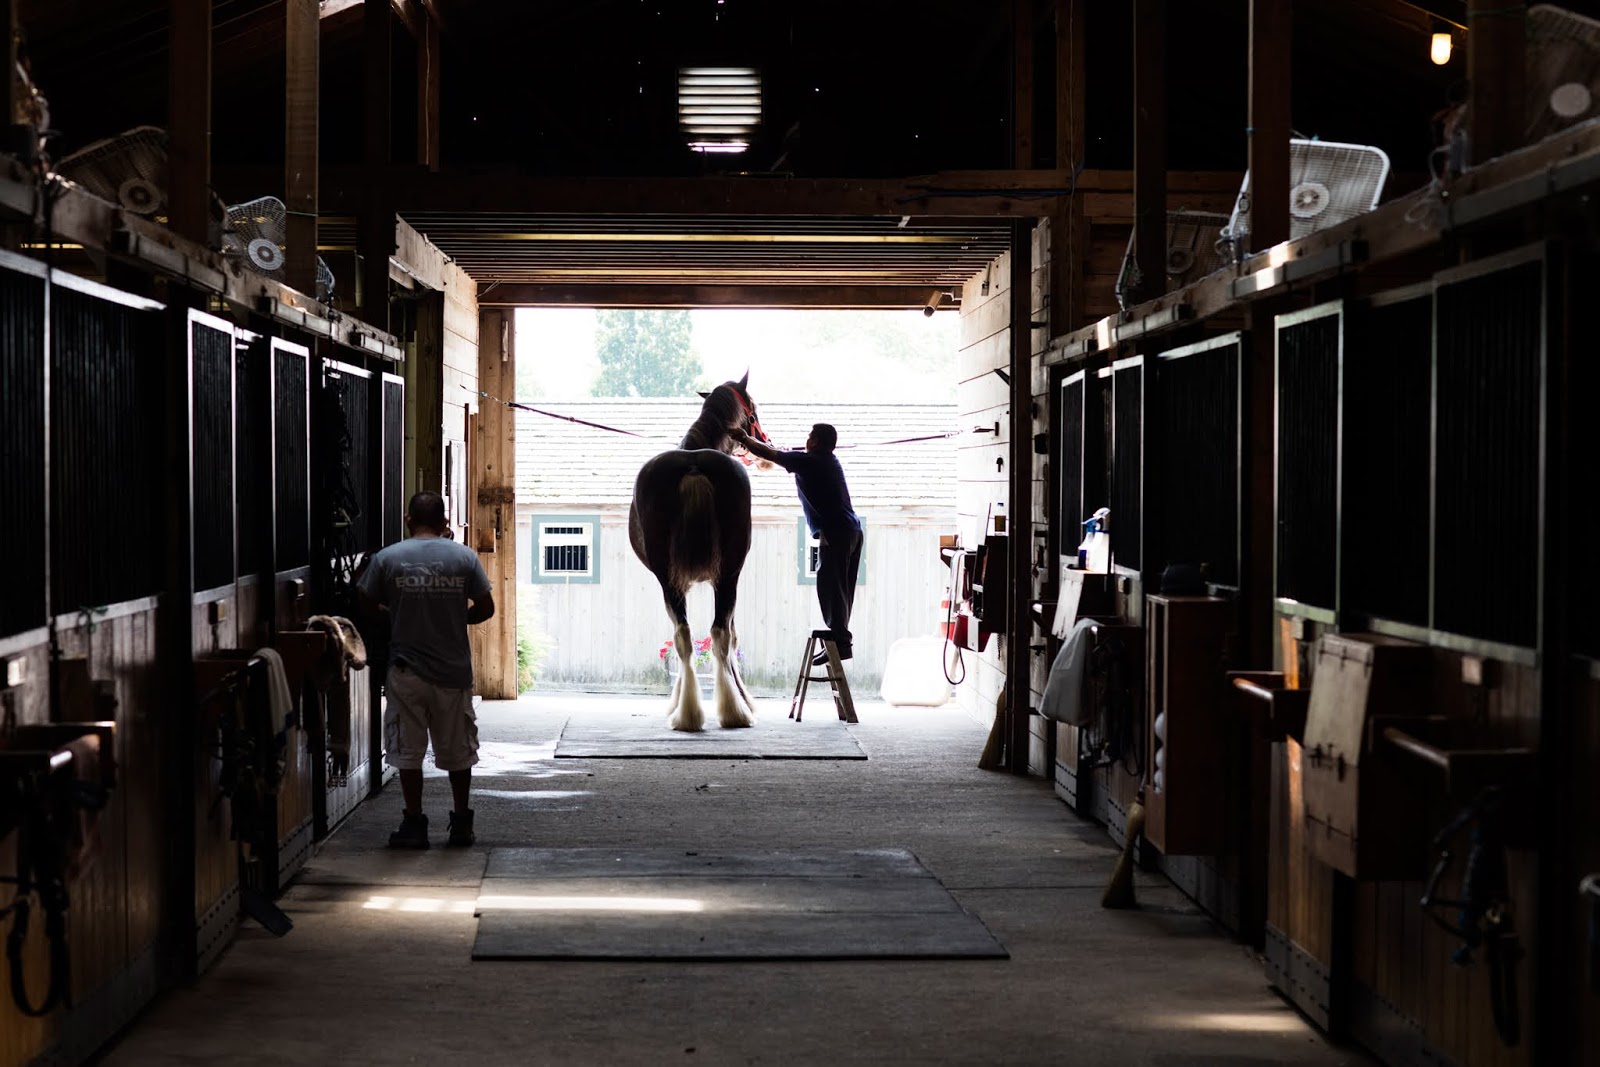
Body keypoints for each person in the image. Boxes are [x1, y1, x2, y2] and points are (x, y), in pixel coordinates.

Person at [357, 491, 494, 849]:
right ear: (445, 522)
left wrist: (394, 616)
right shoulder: (464, 558)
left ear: (408, 519)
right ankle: (462, 821)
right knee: (458, 750)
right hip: (452, 672)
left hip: (407, 671)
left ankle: (414, 823)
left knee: (407, 750)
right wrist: (456, 616)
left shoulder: (388, 559)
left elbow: (363, 603)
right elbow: (486, 607)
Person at [734, 423, 864, 662]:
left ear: (814, 442)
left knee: (830, 587)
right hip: (851, 531)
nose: (806, 439)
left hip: (836, 532)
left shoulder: (810, 462)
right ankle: (840, 640)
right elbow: (778, 454)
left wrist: (743, 437)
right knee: (841, 590)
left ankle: (841, 642)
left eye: (809, 436)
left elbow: (771, 454)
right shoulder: (828, 461)